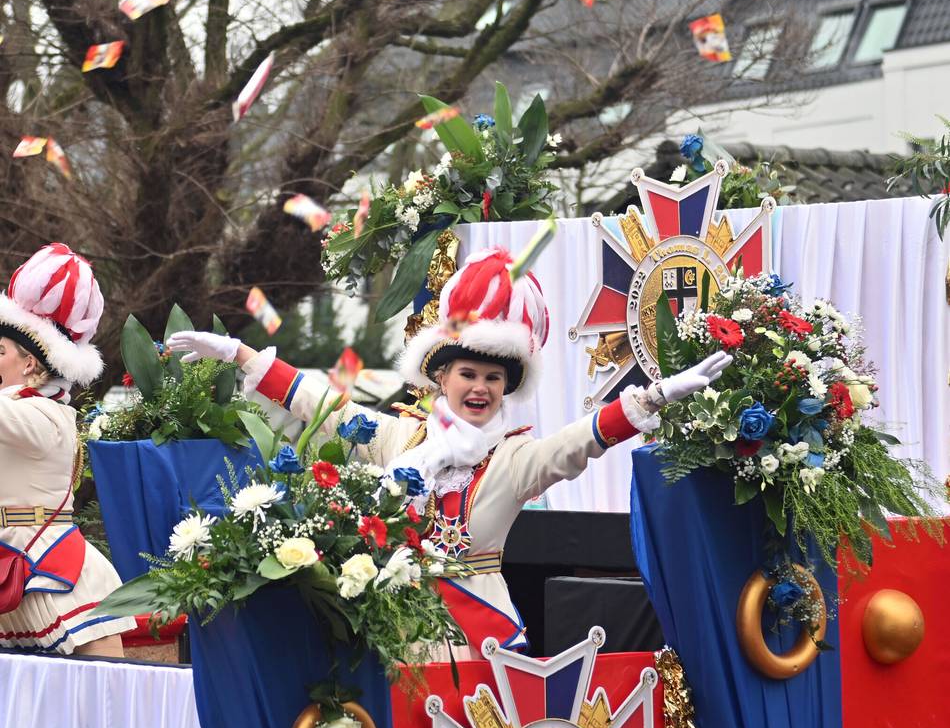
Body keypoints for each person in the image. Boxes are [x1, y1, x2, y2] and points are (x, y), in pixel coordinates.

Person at [167, 248, 730, 659]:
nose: (480, 387)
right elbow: (323, 405)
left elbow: (579, 441)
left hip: (477, 642)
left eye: (493, 377)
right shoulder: (398, 438)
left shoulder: (514, 458)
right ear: (441, 376)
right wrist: (240, 354)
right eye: (468, 373)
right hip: (392, 627)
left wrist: (654, 397)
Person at [0, 244, 135, 657]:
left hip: (51, 574)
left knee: (95, 695)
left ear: (29, 363)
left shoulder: (45, 415)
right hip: (14, 560)